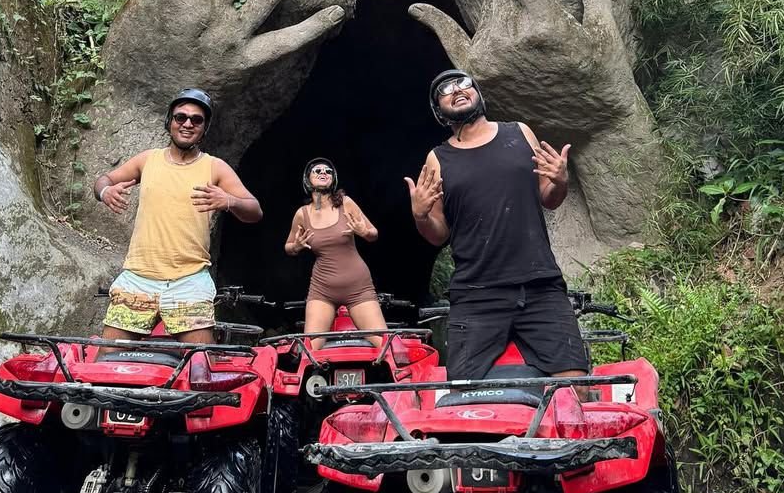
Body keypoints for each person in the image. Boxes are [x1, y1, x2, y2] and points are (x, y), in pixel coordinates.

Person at [404, 70, 587, 383]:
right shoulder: (438, 158)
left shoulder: (520, 133)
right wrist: (421, 215)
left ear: (478, 93)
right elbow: (439, 234)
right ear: (439, 111)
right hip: (476, 294)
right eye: (445, 90)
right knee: (464, 394)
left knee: (574, 386)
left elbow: (549, 198)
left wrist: (560, 181)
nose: (456, 90)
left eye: (463, 83)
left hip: (539, 285)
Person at [93, 87, 262, 343]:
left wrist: (228, 200)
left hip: (190, 280)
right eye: (180, 117)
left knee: (199, 361)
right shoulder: (148, 160)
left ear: (205, 128)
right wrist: (106, 191)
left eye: (196, 120)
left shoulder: (215, 167)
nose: (187, 124)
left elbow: (254, 210)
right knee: (108, 358)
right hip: (138, 278)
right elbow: (103, 180)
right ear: (169, 122)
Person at [284, 157, 388, 345]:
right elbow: (288, 247)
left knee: (384, 344)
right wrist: (297, 246)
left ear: (334, 179)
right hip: (322, 289)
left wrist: (364, 232)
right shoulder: (302, 214)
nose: (323, 173)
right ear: (307, 179)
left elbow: (373, 233)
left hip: (358, 287)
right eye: (317, 170)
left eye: (328, 171)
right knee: (311, 348)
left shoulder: (346, 203)